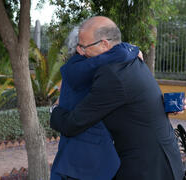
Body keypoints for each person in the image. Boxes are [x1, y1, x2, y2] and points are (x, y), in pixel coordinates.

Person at [50, 16, 186, 180]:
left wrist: (55, 109)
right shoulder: (132, 61)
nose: (79, 51)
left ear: (104, 44)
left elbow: (73, 123)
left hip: (149, 168)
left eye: (83, 46)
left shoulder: (112, 74)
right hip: (162, 159)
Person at [51, 25, 141, 180]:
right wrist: (133, 49)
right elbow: (118, 54)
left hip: (76, 158)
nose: (108, 48)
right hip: (85, 161)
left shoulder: (80, 68)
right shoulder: (80, 67)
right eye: (102, 43)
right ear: (80, 49)